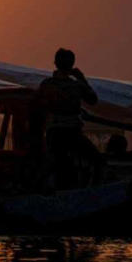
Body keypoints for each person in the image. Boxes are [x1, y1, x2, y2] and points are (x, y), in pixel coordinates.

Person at [37, 48, 101, 190]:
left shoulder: (46, 84)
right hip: (71, 132)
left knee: (61, 167)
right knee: (96, 160)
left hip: (53, 133)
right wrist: (82, 78)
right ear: (72, 64)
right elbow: (93, 99)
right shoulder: (76, 85)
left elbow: (39, 108)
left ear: (55, 63)